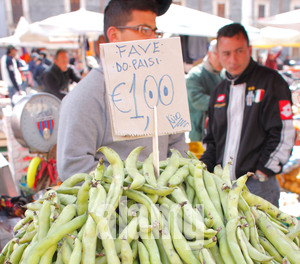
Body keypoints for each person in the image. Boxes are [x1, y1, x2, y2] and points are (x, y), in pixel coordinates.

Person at [56, 0, 187, 182]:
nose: (152, 40)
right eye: (144, 30)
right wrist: (137, 191)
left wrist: (170, 185)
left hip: (167, 206)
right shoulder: (85, 98)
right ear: (114, 35)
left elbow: (177, 145)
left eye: (155, 32)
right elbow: (73, 167)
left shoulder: (160, 86)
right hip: (115, 209)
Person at [201, 23, 296, 207]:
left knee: (259, 236)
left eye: (239, 51)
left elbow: (284, 133)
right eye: (226, 53)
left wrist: (263, 172)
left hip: (259, 188)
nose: (233, 59)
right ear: (218, 55)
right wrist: (203, 170)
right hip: (224, 188)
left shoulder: (271, 82)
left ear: (249, 50)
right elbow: (210, 141)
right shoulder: (218, 92)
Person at [186, 39, 223, 143]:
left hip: (219, 133)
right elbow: (198, 101)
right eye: (219, 55)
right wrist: (225, 101)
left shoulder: (224, 74)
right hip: (199, 134)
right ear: (210, 54)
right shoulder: (195, 75)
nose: (222, 60)